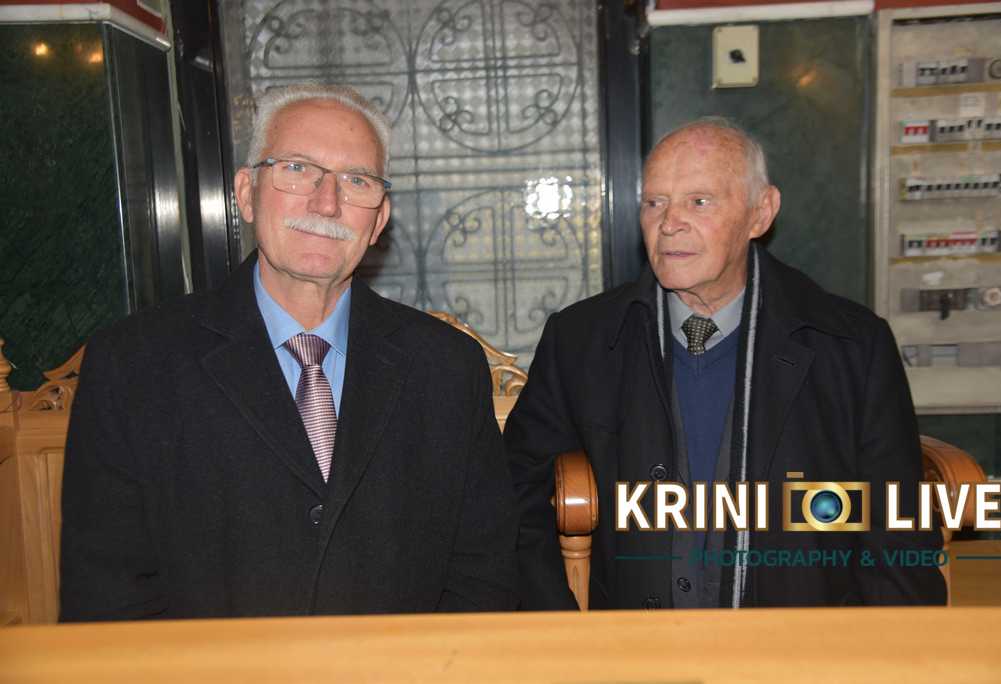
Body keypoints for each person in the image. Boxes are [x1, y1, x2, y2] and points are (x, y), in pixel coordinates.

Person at [60, 84, 517, 620]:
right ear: (246, 193)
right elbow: (107, 597)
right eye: (298, 169)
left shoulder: (446, 368)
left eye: (357, 180)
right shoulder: (134, 366)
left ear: (379, 220)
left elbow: (484, 577)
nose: (327, 203)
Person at [505, 117, 947, 610]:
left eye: (700, 201)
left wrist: (882, 648)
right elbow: (512, 491)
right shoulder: (583, 340)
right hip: (636, 642)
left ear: (761, 213)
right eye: (654, 203)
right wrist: (559, 626)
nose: (669, 223)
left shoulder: (849, 346)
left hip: (802, 641)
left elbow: (898, 530)